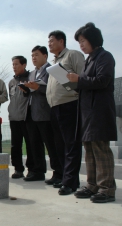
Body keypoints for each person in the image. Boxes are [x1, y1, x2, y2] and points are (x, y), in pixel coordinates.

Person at [68, 22, 117, 203]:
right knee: (89, 148)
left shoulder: (105, 57)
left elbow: (102, 80)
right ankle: (92, 184)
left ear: (93, 39)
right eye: (79, 42)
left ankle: (107, 188)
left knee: (101, 149)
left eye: (83, 40)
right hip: (88, 111)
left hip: (100, 110)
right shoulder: (89, 60)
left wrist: (79, 79)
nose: (81, 45)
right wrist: (75, 83)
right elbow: (88, 82)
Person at [46, 30, 85, 195]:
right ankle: (63, 177)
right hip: (55, 107)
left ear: (61, 41)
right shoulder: (54, 62)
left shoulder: (73, 55)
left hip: (70, 104)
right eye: (48, 42)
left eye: (52, 41)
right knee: (60, 145)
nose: (49, 44)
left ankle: (70, 182)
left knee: (71, 144)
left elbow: (84, 77)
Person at [23, 46, 62, 183]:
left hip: (46, 113)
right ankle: (38, 171)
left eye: (36, 55)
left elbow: (53, 88)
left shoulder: (51, 70)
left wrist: (38, 87)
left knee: (51, 145)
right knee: (35, 144)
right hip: (32, 113)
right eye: (32, 55)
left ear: (45, 56)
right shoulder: (32, 73)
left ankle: (58, 173)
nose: (34, 58)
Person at [7, 56, 31, 179]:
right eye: (13, 65)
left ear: (24, 65)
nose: (14, 67)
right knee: (15, 145)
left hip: (26, 117)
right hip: (14, 118)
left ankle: (32, 169)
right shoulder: (11, 82)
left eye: (16, 64)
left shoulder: (30, 78)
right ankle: (18, 169)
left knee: (30, 144)